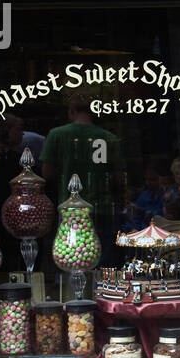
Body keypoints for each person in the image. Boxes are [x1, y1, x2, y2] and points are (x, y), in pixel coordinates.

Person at [41, 98, 125, 254]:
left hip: (69, 206)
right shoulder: (109, 137)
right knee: (102, 258)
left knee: (72, 255)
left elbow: (46, 173)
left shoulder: (56, 135)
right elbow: (119, 178)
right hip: (102, 205)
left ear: (71, 111)